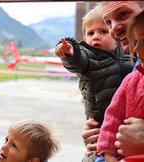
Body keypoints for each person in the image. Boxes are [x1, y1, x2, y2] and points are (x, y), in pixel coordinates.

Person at [55, 6, 133, 161]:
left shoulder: (127, 54)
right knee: (97, 152)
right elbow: (77, 61)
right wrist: (69, 51)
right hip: (100, 123)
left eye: (103, 31)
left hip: (125, 120)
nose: (95, 37)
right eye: (90, 33)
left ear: (114, 33)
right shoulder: (88, 58)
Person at [82, 1, 144, 158]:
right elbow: (113, 118)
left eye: (123, 14)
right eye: (108, 22)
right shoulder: (133, 75)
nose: (113, 29)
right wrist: (102, 138)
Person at [97, 11, 144, 161]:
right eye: (135, 42)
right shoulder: (130, 81)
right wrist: (109, 157)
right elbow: (111, 121)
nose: (136, 49)